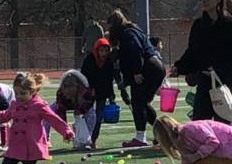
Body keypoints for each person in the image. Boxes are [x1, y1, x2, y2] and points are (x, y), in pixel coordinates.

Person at [173, 0, 232, 122]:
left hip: (229, 81)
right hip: (206, 81)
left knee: (223, 125)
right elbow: (193, 52)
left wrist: (219, 72)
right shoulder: (198, 25)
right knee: (200, 124)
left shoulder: (230, 24)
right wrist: (180, 67)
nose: (203, 1)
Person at [108, 9, 166, 147]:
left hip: (148, 69)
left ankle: (141, 137)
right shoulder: (133, 29)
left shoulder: (127, 34)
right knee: (143, 103)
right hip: (156, 67)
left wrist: (136, 71)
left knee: (138, 103)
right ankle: (163, 133)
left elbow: (135, 50)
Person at [80, 37, 117, 148]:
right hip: (89, 92)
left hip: (102, 93)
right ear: (97, 50)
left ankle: (93, 139)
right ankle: (84, 137)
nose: (104, 53)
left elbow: (110, 79)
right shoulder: (89, 60)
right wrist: (88, 89)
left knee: (99, 116)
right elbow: (83, 75)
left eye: (106, 50)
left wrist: (111, 95)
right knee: (87, 115)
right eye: (101, 50)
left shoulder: (109, 62)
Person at [50, 70, 96, 149]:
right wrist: (65, 131)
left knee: (92, 114)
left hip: (81, 106)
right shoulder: (60, 93)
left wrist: (79, 111)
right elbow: (61, 111)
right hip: (66, 105)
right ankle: (45, 140)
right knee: (48, 112)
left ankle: (87, 138)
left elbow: (89, 104)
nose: (68, 91)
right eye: (66, 87)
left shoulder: (87, 92)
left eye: (71, 88)